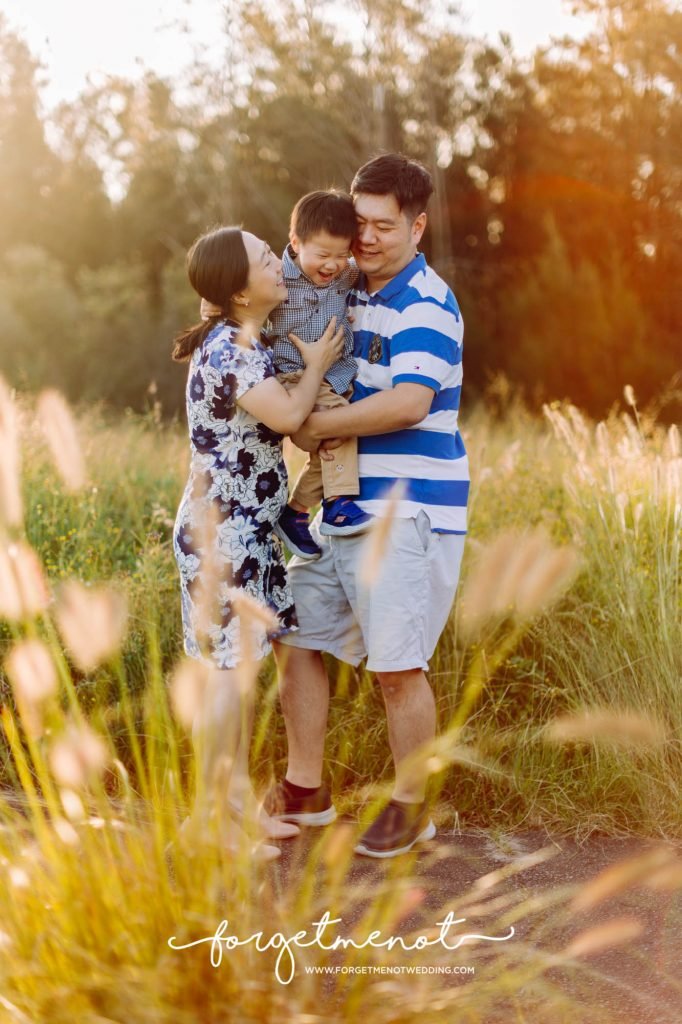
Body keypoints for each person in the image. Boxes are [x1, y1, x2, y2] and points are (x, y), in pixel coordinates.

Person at [265, 153, 469, 858]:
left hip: (408, 514)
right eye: (361, 224)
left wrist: (310, 426)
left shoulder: (428, 305)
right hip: (341, 508)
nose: (369, 238)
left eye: (386, 226)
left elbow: (410, 403)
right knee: (298, 639)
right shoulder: (343, 288)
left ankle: (415, 806)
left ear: (418, 226)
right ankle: (306, 789)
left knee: (395, 669)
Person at [171, 225, 344, 859]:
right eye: (268, 260)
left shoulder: (238, 336)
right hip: (224, 537)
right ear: (240, 292)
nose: (280, 263)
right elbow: (289, 417)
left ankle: (236, 807)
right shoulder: (229, 349)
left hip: (247, 535)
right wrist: (320, 363)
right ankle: (208, 822)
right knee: (223, 679)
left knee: (239, 677)